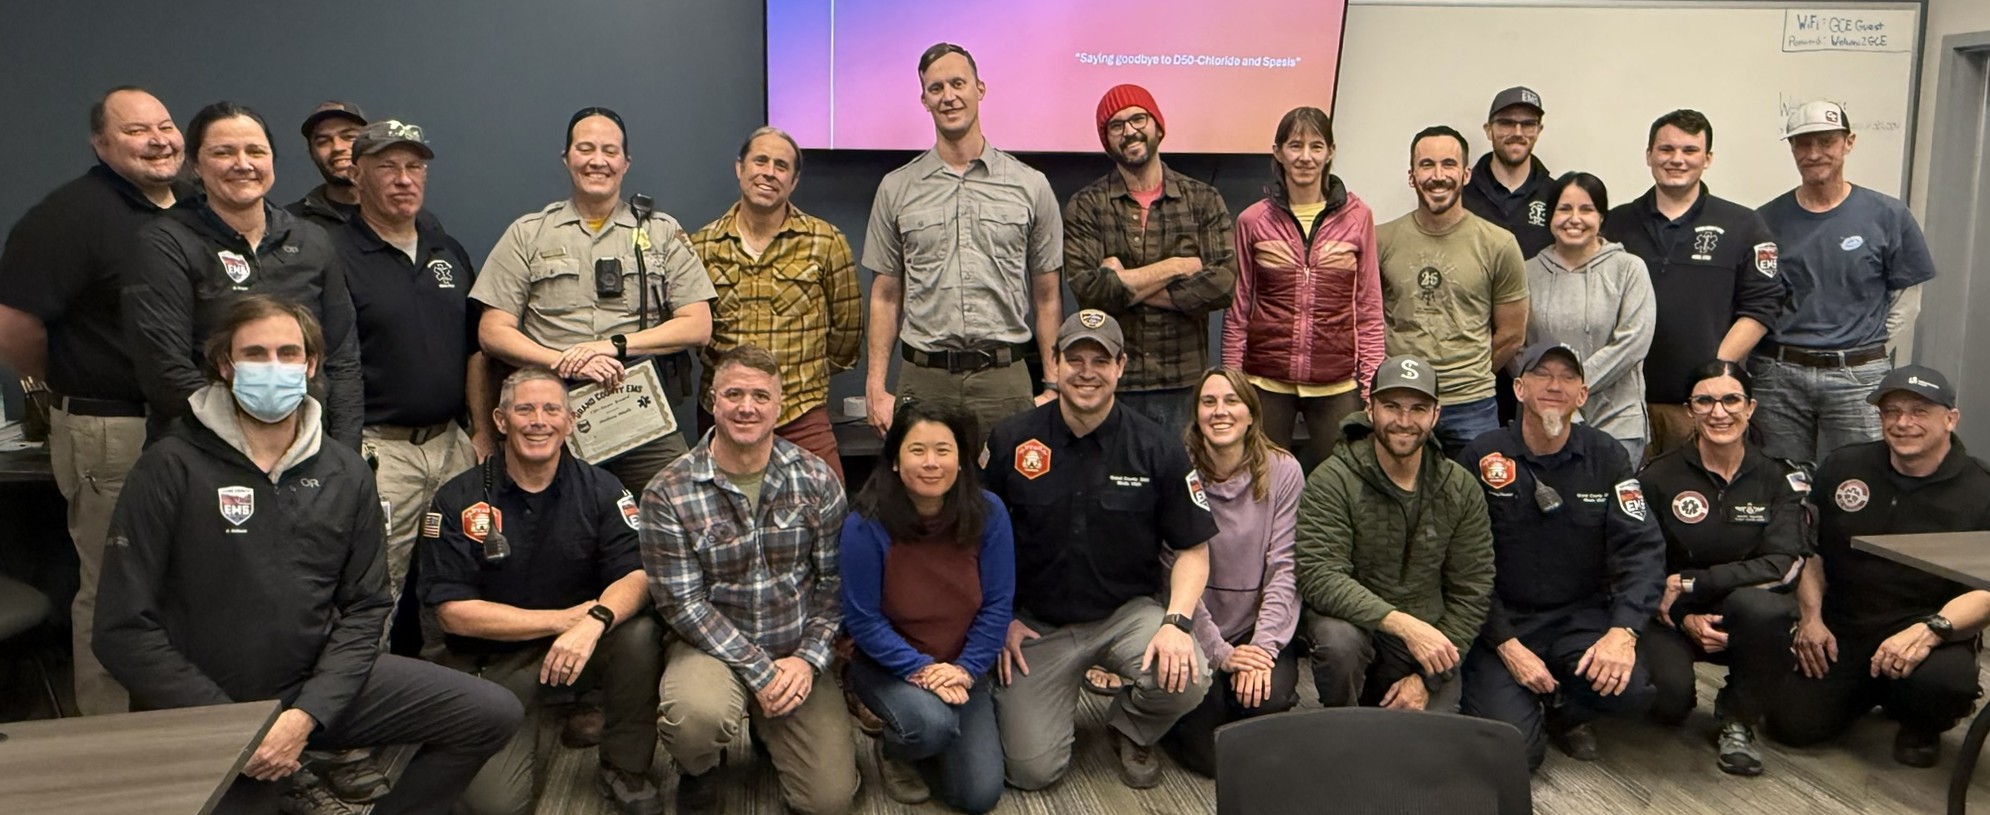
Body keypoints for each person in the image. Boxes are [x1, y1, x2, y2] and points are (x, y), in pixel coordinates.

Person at [93, 295, 522, 814]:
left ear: (311, 364)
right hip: (205, 702)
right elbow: (121, 630)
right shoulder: (169, 467)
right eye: (254, 354)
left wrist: (305, 716)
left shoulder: (346, 473)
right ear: (226, 367)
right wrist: (243, 731)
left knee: (490, 712)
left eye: (288, 352)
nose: (273, 367)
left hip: (312, 687)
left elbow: (366, 610)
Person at [0, 86, 186, 716]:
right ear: (101, 144)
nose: (159, 139)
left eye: (165, 125)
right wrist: (65, 381)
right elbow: (13, 324)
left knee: (183, 585)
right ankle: (108, 740)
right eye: (137, 131)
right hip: (113, 426)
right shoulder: (70, 215)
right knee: (114, 589)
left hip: (188, 426)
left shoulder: (190, 208)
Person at [982, 309, 1216, 790]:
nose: (1087, 372)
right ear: (1054, 362)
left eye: (1100, 360)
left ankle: (1129, 726)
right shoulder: (1010, 440)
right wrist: (998, 618)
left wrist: (1175, 624)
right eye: (1075, 359)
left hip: (1125, 615)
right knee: (1031, 771)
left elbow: (1194, 548)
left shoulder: (1157, 446)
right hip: (1036, 626)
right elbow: (974, 542)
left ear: (1121, 366)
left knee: (1189, 674)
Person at [422, 367, 664, 815]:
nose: (539, 420)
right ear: (500, 419)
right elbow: (452, 613)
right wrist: (562, 621)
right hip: (494, 658)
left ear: (570, 421)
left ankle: (624, 765)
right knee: (494, 806)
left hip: (583, 645)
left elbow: (637, 575)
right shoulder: (459, 499)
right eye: (525, 409)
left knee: (640, 635)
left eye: (552, 409)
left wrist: (594, 621)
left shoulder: (602, 489)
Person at [641, 344, 857, 815]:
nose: (746, 407)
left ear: (779, 406)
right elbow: (682, 605)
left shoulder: (816, 478)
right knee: (694, 718)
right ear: (712, 401)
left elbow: (836, 584)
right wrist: (761, 672)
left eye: (760, 396)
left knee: (829, 802)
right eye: (733, 394)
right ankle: (699, 768)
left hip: (795, 649)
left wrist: (807, 660)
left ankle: (767, 726)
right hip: (710, 648)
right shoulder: (668, 490)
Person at [472, 107, 716, 494]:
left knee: (680, 502)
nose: (597, 161)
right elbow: (492, 332)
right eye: (585, 149)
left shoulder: (661, 231)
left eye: (609, 150)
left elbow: (698, 324)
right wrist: (563, 360)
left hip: (638, 407)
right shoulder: (528, 233)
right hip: (551, 410)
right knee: (551, 522)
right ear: (567, 159)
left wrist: (610, 347)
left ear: (625, 163)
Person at [1767, 365, 1990, 768]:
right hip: (1843, 626)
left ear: (1950, 418)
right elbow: (1810, 550)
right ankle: (1867, 689)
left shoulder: (1982, 488)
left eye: (1920, 411)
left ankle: (1919, 723)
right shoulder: (1843, 467)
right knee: (1790, 725)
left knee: (1945, 685)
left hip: (1929, 627)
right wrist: (1811, 618)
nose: (1903, 423)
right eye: (1892, 411)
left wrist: (1931, 631)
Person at [1458, 342, 1664, 770]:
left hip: (1579, 618)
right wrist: (1508, 645)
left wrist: (1623, 632)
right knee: (1518, 755)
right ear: (1517, 388)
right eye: (1542, 375)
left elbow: (1641, 548)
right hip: (1502, 625)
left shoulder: (1607, 456)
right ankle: (1520, 705)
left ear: (1582, 394)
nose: (1555, 385)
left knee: (1635, 691)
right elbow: (1461, 566)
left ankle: (1560, 710)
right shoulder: (1481, 457)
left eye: (1568, 377)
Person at [122, 101, 363, 448]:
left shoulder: (312, 241)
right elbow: (164, 369)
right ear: (195, 165)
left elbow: (342, 360)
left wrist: (343, 456)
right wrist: (256, 444)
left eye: (256, 151)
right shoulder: (165, 242)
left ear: (271, 162)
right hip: (202, 454)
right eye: (224, 153)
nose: (243, 164)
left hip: (307, 451)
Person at [863, 42, 1063, 444]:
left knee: (1011, 502)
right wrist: (875, 385)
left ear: (980, 89)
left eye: (958, 83)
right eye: (936, 88)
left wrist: (1054, 384)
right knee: (925, 502)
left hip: (1004, 382)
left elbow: (1047, 296)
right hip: (924, 381)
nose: (949, 96)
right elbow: (885, 295)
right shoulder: (897, 188)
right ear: (924, 99)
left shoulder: (1030, 185)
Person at [330, 119, 490, 615]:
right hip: (381, 450)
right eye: (387, 167)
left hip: (452, 446)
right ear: (356, 176)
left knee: (463, 579)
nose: (404, 179)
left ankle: (456, 690)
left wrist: (481, 432)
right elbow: (329, 361)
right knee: (375, 589)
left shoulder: (448, 250)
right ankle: (369, 688)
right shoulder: (333, 254)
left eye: (414, 166)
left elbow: (475, 351)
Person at [840, 399, 1013, 813]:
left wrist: (965, 670)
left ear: (962, 458)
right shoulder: (865, 523)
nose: (931, 462)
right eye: (917, 450)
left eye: (943, 450)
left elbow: (997, 604)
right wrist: (922, 671)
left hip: (961, 667)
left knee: (978, 796)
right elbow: (862, 620)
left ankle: (934, 737)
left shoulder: (990, 514)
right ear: (896, 461)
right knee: (929, 725)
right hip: (889, 666)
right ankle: (897, 751)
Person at [1297, 355, 1495, 714]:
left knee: (1430, 757)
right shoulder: (1332, 479)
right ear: (1370, 409)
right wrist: (1403, 625)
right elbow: (1319, 576)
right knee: (1335, 640)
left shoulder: (1460, 486)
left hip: (1428, 643)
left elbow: (1473, 588)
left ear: (1435, 415)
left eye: (1418, 408)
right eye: (1391, 406)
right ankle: (1342, 727)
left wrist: (1426, 679)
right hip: (1362, 631)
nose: (1404, 421)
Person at [1637, 360, 1805, 776]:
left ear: (1750, 407)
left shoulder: (1779, 478)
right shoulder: (1657, 477)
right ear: (1689, 410)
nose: (1719, 412)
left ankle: (1737, 719)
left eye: (1731, 400)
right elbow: (1639, 561)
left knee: (1763, 609)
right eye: (1705, 401)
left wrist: (1695, 580)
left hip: (1748, 617)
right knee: (1665, 705)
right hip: (1672, 616)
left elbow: (1783, 566)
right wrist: (1684, 615)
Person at [1752, 100, 1937, 466]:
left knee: (1859, 481)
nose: (1814, 153)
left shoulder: (1888, 215)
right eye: (1803, 144)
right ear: (1792, 150)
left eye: (1826, 142)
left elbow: (1906, 300)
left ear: (1848, 143)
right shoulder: (1765, 219)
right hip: (1778, 377)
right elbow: (1755, 299)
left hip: (1858, 377)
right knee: (1780, 483)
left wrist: (1866, 348)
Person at [1603, 110, 1783, 460]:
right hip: (1624, 405)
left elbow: (1762, 306)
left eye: (1689, 150)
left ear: (1707, 158)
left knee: (1698, 505)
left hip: (1703, 407)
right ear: (1649, 155)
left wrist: (1715, 372)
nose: (1677, 159)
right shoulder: (1616, 223)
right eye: (1666, 149)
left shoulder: (1743, 224)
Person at [691, 126, 861, 481]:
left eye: (781, 166)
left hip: (800, 413)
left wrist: (803, 376)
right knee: (711, 519)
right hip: (724, 415)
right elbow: (694, 331)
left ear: (794, 180)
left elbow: (847, 331)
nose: (769, 172)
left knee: (828, 518)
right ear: (740, 168)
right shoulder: (703, 245)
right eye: (760, 161)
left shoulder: (826, 241)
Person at [1064, 84, 1237, 435]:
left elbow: (1223, 285)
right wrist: (1176, 267)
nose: (1129, 131)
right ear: (1107, 139)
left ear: (1158, 126)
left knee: (1177, 486)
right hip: (1113, 381)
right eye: (1116, 125)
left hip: (1182, 381)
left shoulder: (1202, 199)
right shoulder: (1086, 205)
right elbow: (1091, 293)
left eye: (1138, 118)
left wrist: (1123, 280)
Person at [1157, 368, 1303, 776]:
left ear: (1252, 413)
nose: (1220, 412)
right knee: (1212, 760)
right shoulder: (1175, 468)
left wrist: (1262, 651)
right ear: (1197, 414)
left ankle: (1242, 690)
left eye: (1231, 401)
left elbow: (1285, 566)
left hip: (1256, 630)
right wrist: (1220, 652)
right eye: (1209, 402)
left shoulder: (1284, 471)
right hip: (1195, 629)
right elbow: (1174, 565)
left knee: (1267, 699)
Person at [1223, 106, 1384, 465]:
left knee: (1343, 482)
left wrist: (1372, 385)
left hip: (1337, 384)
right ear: (1278, 152)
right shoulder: (1253, 221)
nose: (1305, 157)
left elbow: (1369, 308)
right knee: (1262, 480)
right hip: (1266, 383)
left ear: (1330, 152)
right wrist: (1234, 383)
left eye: (1316, 146)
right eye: (1295, 145)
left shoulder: (1359, 218)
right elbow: (1239, 309)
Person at [1377, 126, 1530, 455]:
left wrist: (1468, 372)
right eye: (1426, 165)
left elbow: (1512, 334)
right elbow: (1365, 324)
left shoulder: (1498, 244)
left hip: (1471, 404)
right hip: (1400, 401)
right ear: (1411, 175)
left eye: (1448, 165)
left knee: (1476, 502)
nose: (1437, 175)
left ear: (1465, 174)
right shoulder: (1381, 240)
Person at [1522, 172, 1655, 461]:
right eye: (1564, 209)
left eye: (1586, 209)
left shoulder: (1629, 269)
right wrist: (1553, 393)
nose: (1574, 218)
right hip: (1548, 419)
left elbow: (1633, 342)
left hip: (1617, 421)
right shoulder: (1527, 273)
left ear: (1602, 217)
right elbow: (1516, 346)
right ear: (1550, 216)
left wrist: (1571, 386)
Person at [1463, 87, 1555, 258]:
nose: (1518, 133)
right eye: (1506, 123)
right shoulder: (1462, 193)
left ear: (1538, 131)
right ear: (1489, 130)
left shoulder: (1555, 196)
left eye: (1528, 124)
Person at [286, 101, 366, 229]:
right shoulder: (288, 224)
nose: (337, 147)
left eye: (349, 137)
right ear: (312, 153)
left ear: (369, 145)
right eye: (323, 141)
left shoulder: (400, 211)